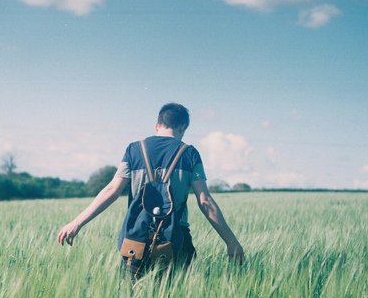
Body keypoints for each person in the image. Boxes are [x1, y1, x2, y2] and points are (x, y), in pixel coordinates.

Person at [57, 103, 245, 272]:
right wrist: (231, 242)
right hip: (176, 239)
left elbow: (112, 190)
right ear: (182, 128)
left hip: (136, 239)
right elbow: (205, 201)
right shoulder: (190, 154)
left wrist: (76, 223)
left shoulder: (134, 149)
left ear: (157, 125)